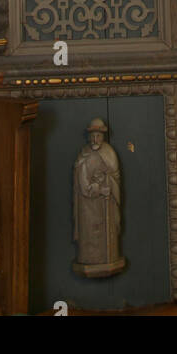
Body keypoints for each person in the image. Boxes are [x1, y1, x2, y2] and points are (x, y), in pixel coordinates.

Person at [72, 117, 126, 277]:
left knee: (107, 237)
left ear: (103, 136)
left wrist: (110, 185)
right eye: (93, 136)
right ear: (89, 137)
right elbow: (82, 182)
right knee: (90, 237)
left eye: (99, 136)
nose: (95, 139)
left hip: (106, 206)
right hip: (88, 208)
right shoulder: (83, 155)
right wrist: (99, 189)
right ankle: (90, 259)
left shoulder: (109, 153)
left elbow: (115, 175)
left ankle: (108, 257)